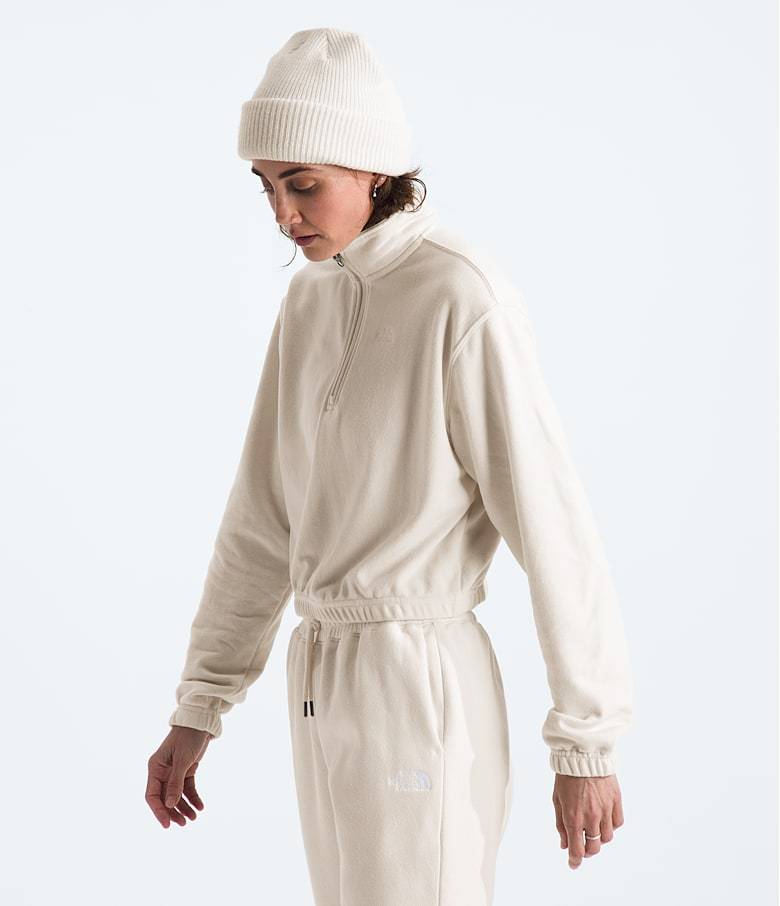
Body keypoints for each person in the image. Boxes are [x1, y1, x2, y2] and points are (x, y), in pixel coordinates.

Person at [145, 26, 634, 904]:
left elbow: (553, 526)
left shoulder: (460, 295)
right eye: (266, 185)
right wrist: (200, 704)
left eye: (304, 184)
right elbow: (262, 521)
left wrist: (586, 743)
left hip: (419, 680)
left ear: (374, 169)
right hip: (319, 676)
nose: (284, 214)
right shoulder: (310, 300)